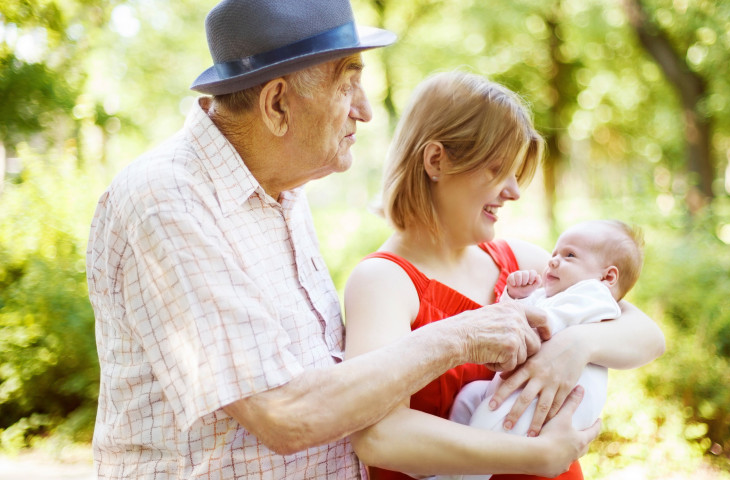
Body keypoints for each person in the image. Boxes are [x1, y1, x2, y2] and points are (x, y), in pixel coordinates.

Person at [85, 1, 604, 479]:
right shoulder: (171, 200)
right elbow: (283, 415)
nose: (365, 110)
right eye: (346, 83)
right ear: (276, 104)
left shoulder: (281, 190)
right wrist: (458, 337)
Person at [343, 71, 665, 479]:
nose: (514, 191)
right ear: (436, 160)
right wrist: (536, 456)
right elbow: (380, 437)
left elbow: (649, 336)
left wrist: (579, 344)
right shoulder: (382, 281)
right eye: (498, 169)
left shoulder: (519, 261)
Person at [440, 220, 645, 480]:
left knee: (488, 428)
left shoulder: (594, 298)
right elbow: (508, 319)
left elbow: (548, 322)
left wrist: (528, 320)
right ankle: (442, 465)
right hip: (519, 391)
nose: (553, 261)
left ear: (607, 277)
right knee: (471, 397)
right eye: (554, 253)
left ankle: (455, 476)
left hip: (544, 407)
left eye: (569, 255)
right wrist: (514, 297)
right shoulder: (551, 295)